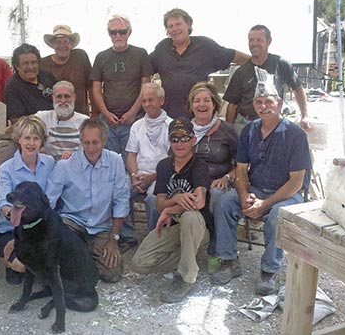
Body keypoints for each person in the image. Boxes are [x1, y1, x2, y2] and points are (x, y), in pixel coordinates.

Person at [210, 76, 312, 295]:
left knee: (277, 215)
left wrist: (265, 204)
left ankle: (269, 270)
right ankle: (228, 259)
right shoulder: (249, 131)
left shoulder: (295, 135)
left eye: (269, 101)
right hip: (256, 188)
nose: (263, 107)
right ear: (253, 105)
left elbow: (296, 182)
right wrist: (245, 193)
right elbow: (241, 168)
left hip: (285, 194)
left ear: (280, 104)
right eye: (259, 102)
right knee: (224, 201)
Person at [131, 117, 211, 303]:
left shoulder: (199, 165)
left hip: (198, 227)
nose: (180, 143)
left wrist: (170, 209)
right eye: (175, 138)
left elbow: (198, 203)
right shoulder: (164, 166)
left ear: (193, 140)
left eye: (184, 138)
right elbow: (159, 204)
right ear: (169, 141)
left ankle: (186, 277)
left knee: (191, 216)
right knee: (139, 264)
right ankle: (187, 257)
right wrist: (175, 200)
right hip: (173, 227)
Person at [47, 118, 130, 283]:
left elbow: (121, 201)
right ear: (80, 141)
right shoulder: (65, 166)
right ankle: (83, 257)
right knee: (67, 269)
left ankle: (84, 257)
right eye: (86, 143)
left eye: (95, 142)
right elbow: (49, 200)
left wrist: (114, 239)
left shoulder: (115, 161)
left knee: (112, 273)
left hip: (101, 226)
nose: (91, 148)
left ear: (104, 141)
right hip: (72, 224)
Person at [151, 8, 250, 119]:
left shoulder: (205, 46)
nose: (175, 29)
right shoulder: (162, 48)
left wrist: (259, 63)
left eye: (178, 24)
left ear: (188, 25)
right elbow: (143, 67)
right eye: (171, 26)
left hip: (200, 117)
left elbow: (234, 56)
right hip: (170, 117)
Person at [0, 115, 55, 284]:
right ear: (18, 139)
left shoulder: (50, 163)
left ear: (42, 141)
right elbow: (4, 200)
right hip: (13, 227)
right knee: (22, 266)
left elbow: (51, 198)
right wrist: (11, 214)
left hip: (40, 228)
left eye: (36, 138)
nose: (31, 143)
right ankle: (10, 261)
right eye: (27, 137)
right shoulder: (7, 168)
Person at [187, 82, 239, 274]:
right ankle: (179, 249)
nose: (202, 104)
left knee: (217, 196)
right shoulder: (185, 128)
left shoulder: (227, 130)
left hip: (219, 181)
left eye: (206, 100)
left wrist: (228, 176)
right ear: (191, 105)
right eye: (197, 100)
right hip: (192, 180)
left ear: (214, 103)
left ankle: (217, 249)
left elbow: (242, 164)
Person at [223, 24, 312, 133]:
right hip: (246, 124)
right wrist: (229, 132)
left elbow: (297, 88)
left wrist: (305, 115)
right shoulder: (241, 72)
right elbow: (232, 105)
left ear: (269, 41)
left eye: (259, 40)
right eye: (251, 40)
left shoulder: (281, 64)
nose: (254, 43)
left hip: (273, 122)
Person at [91, 14, 153, 163]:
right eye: (113, 32)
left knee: (132, 163)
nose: (118, 35)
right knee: (106, 162)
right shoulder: (101, 57)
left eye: (122, 31)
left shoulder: (140, 54)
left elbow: (146, 87)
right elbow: (96, 90)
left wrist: (132, 112)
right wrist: (105, 114)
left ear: (129, 32)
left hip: (134, 121)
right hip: (108, 122)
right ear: (109, 34)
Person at [125, 82, 172, 232]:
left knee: (154, 199)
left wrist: (151, 178)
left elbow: (175, 162)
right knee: (117, 191)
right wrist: (134, 176)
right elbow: (131, 155)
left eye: (151, 100)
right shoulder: (137, 126)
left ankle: (154, 238)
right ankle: (127, 236)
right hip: (138, 175)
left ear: (161, 101)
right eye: (144, 101)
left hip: (161, 177)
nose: (147, 104)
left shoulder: (172, 126)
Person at [40, 25, 95, 116]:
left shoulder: (80, 57)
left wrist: (95, 113)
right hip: (55, 117)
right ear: (53, 45)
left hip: (81, 115)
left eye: (66, 41)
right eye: (58, 42)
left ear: (71, 44)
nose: (62, 45)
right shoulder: (43, 64)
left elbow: (91, 86)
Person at [34, 80, 89, 161]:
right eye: (59, 96)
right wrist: (38, 147)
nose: (63, 100)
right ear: (53, 98)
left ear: (74, 98)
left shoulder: (85, 122)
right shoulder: (42, 117)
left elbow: (91, 150)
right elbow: (22, 129)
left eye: (67, 96)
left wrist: (75, 156)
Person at [5, 43, 57, 125]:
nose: (30, 67)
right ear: (17, 66)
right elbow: (17, 122)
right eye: (25, 63)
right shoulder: (12, 87)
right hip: (33, 132)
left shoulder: (47, 76)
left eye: (34, 62)